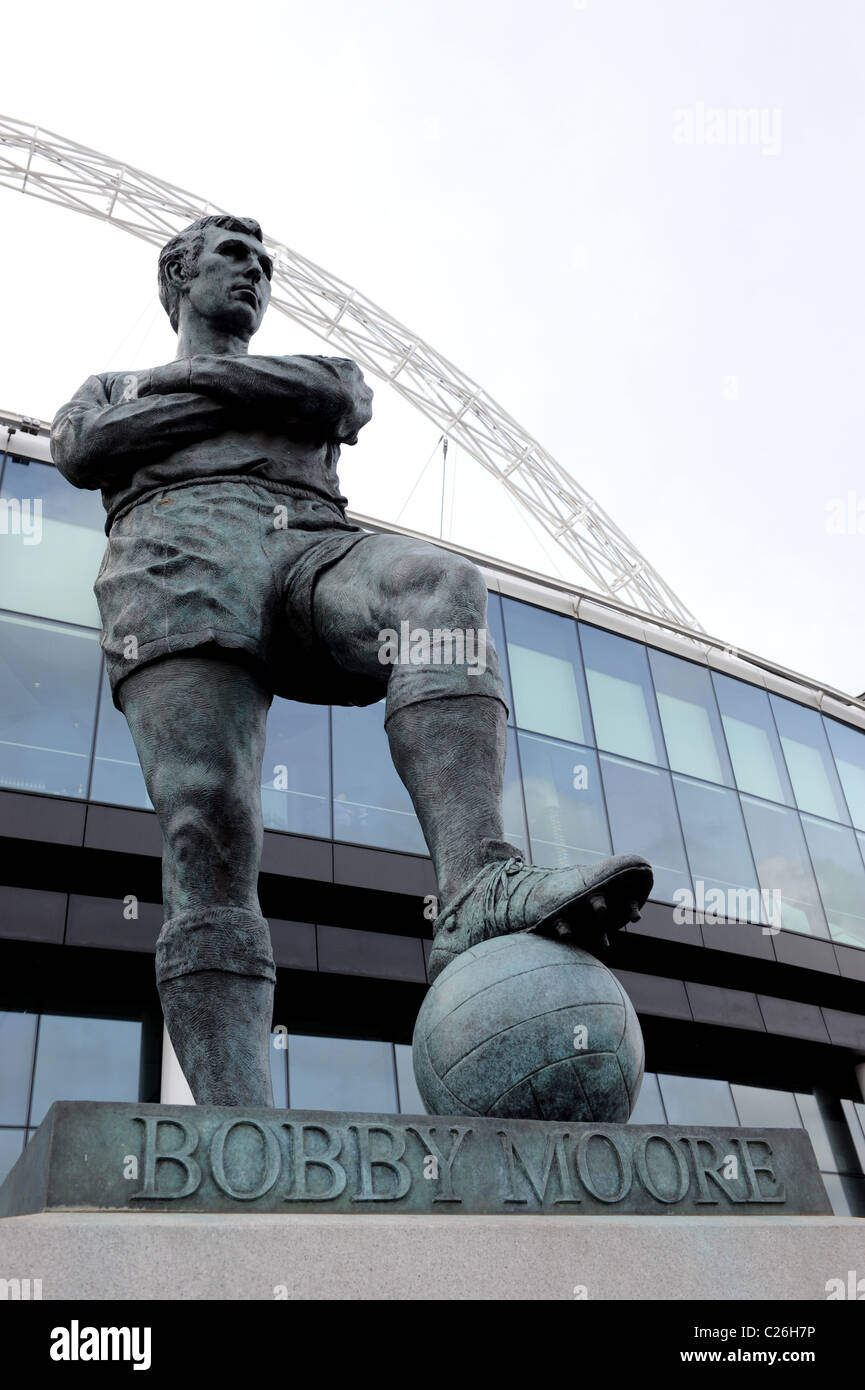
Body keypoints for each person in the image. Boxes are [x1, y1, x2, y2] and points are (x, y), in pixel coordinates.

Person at [51, 214, 653, 1106]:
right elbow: (84, 447)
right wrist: (261, 395)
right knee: (204, 823)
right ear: (178, 275)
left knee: (436, 586)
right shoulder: (104, 385)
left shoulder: (280, 372)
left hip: (308, 545)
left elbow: (343, 397)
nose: (254, 274)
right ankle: (235, 1119)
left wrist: (180, 397)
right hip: (174, 565)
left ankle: (475, 880)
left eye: (264, 264)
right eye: (232, 258)